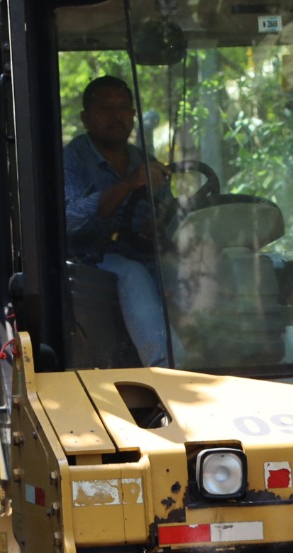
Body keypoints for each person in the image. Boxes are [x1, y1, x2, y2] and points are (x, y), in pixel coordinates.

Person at [64, 75, 184, 367]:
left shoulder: (142, 159)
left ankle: (233, 359)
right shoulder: (72, 159)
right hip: (88, 259)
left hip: (142, 252)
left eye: (123, 108)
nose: (116, 117)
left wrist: (161, 221)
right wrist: (127, 185)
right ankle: (168, 369)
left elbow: (165, 210)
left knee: (199, 267)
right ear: (86, 118)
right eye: (105, 108)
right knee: (131, 273)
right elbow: (70, 221)